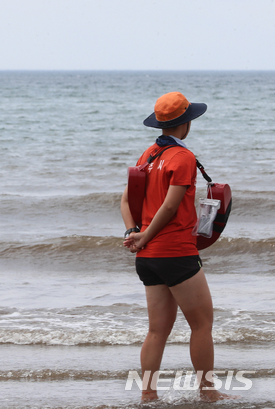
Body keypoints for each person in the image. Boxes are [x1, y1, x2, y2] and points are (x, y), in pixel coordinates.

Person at [120, 92, 236, 402]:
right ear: (185, 123)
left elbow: (125, 199)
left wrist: (135, 231)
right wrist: (145, 236)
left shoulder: (147, 155)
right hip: (176, 253)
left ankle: (148, 395)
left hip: (147, 258)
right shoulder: (182, 157)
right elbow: (171, 207)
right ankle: (208, 392)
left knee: (157, 330)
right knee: (202, 324)